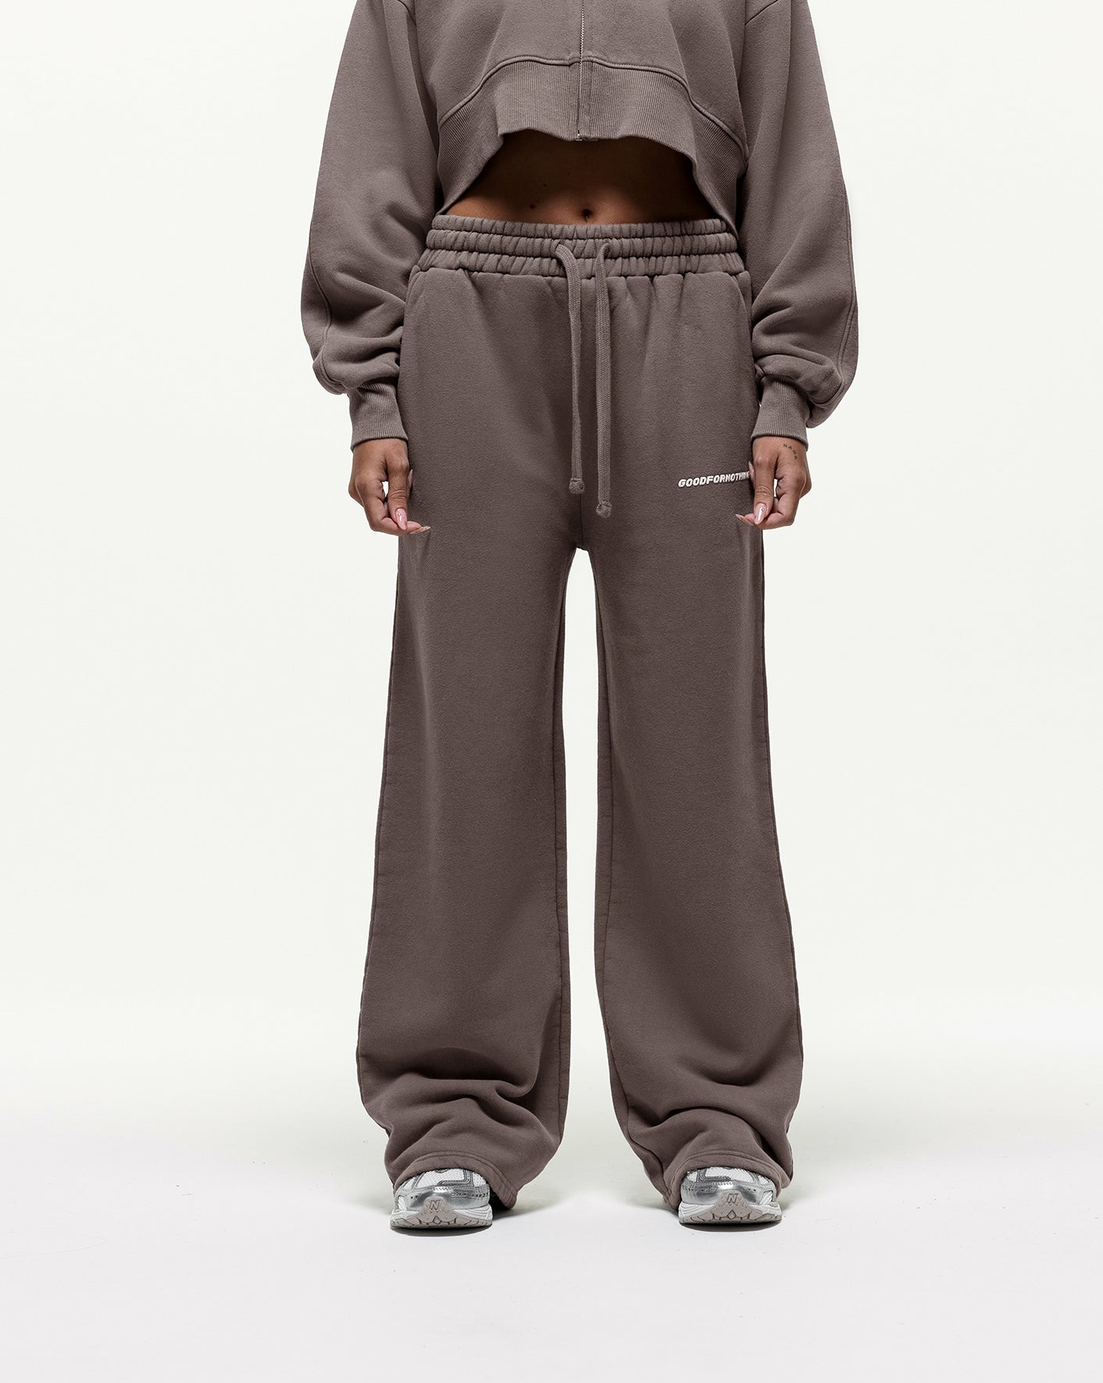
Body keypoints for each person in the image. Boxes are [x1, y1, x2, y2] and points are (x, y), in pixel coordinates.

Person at [301, 0, 858, 1230]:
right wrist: (372, 395)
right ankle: (451, 1114)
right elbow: (373, 146)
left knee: (693, 740)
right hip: (471, 322)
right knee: (467, 733)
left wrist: (786, 388)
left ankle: (716, 1112)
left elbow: (790, 147)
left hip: (689, 321)